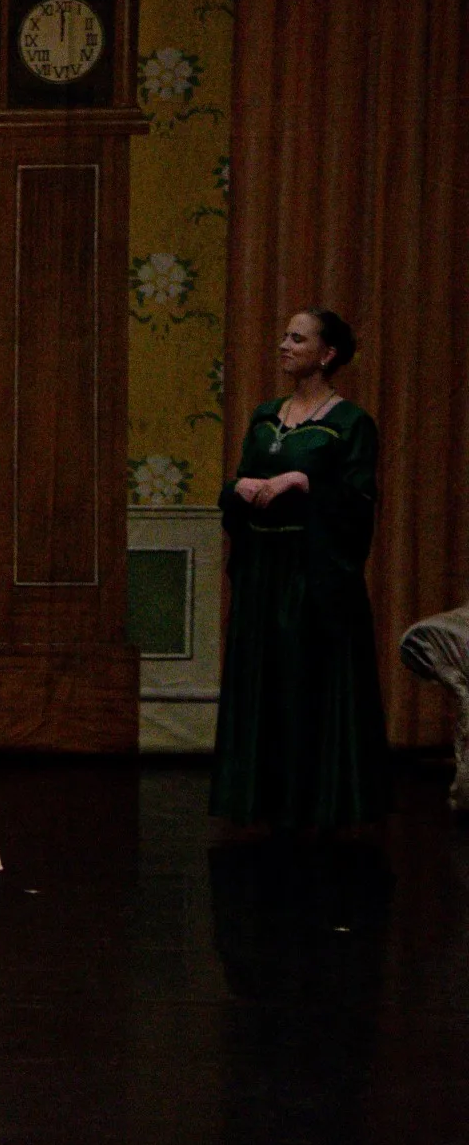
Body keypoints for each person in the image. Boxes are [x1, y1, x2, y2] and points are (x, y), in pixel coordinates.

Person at [211, 308, 390, 833]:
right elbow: (243, 481)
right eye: (284, 335)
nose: (284, 345)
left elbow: (359, 503)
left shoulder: (349, 424)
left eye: (298, 338)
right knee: (263, 677)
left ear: (327, 354)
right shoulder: (266, 416)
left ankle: (315, 799)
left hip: (314, 573)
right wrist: (239, 489)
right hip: (264, 570)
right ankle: (263, 797)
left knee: (308, 677)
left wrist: (303, 482)